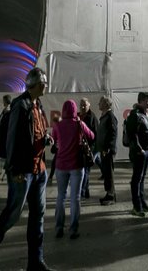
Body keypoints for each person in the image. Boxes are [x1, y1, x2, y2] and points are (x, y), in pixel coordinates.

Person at [0, 67, 55, 271]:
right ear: (36, 85)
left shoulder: (38, 105)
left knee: (38, 216)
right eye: (44, 83)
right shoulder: (21, 106)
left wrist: (45, 139)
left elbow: (33, 133)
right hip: (23, 171)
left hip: (39, 169)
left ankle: (35, 262)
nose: (46, 86)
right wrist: (15, 169)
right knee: (11, 215)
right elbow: (13, 139)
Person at [51, 99, 95, 239]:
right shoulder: (79, 124)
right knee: (75, 198)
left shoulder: (58, 125)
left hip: (60, 165)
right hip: (76, 165)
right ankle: (73, 230)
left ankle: (59, 228)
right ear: (75, 110)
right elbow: (92, 136)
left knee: (61, 196)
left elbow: (54, 139)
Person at [125, 91, 148, 217]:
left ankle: (142, 203)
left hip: (146, 151)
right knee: (137, 179)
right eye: (147, 100)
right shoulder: (135, 114)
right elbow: (132, 134)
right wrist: (139, 149)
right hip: (139, 153)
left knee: (141, 178)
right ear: (141, 101)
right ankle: (137, 206)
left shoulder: (143, 114)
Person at [96, 96, 118, 205]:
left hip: (107, 150)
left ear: (106, 104)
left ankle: (111, 196)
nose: (98, 104)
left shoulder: (110, 117)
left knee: (109, 172)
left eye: (100, 102)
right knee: (106, 172)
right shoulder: (104, 116)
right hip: (103, 149)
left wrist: (108, 148)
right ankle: (109, 193)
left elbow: (113, 133)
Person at [77, 98, 98, 200]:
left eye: (85, 105)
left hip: (89, 148)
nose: (82, 106)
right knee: (83, 171)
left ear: (89, 105)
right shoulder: (77, 116)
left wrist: (92, 149)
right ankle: (86, 191)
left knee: (85, 171)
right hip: (78, 149)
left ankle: (82, 191)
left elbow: (96, 135)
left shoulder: (92, 117)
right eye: (81, 104)